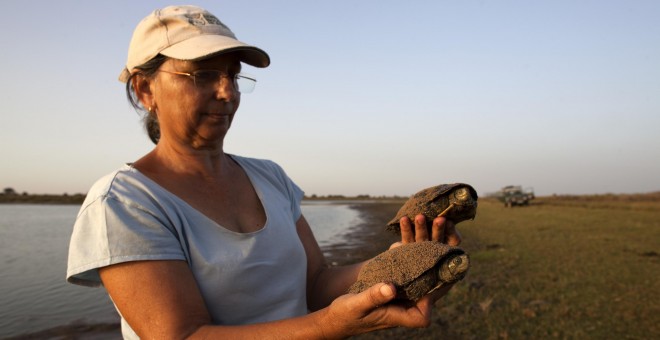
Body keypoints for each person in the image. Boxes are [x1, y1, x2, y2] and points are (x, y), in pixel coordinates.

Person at [66, 5, 462, 339]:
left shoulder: (269, 177)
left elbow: (316, 283)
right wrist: (329, 326)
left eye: (233, 75)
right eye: (202, 74)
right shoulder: (124, 202)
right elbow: (184, 335)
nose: (227, 92)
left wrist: (396, 266)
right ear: (144, 90)